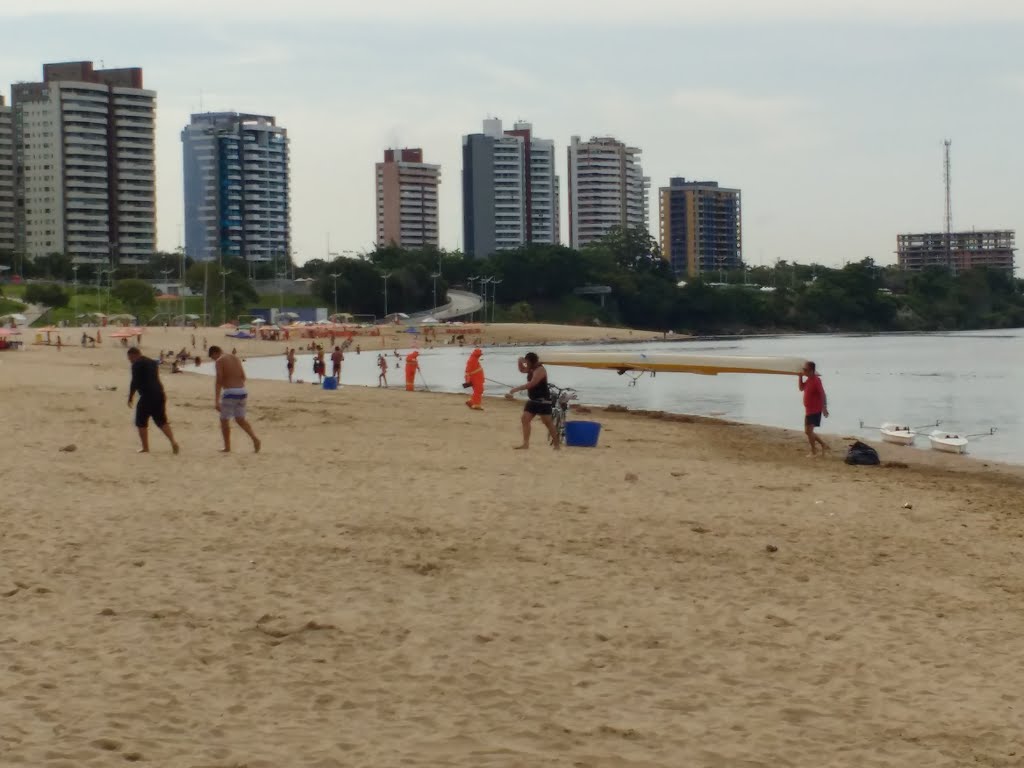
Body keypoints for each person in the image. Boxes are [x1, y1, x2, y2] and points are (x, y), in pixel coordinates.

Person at [126, 347, 179, 454]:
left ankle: (145, 448)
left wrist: (130, 396)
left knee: (141, 422)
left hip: (147, 396)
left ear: (134, 355)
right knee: (161, 421)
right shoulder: (152, 362)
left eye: (130, 358)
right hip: (159, 394)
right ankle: (173, 442)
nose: (130, 361)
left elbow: (134, 381)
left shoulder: (136, 364)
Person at [209, 346, 261, 453]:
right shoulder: (235, 358)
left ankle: (227, 447)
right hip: (242, 391)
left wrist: (216, 400)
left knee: (224, 420)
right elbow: (243, 376)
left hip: (230, 393)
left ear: (215, 353)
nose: (213, 360)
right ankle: (255, 438)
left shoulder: (219, 361)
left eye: (212, 358)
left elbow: (219, 380)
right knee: (240, 419)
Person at [504, 352, 559, 450]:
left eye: (527, 362)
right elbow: (521, 370)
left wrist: (517, 389)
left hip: (543, 400)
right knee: (525, 419)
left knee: (548, 423)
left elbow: (532, 383)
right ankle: (526, 444)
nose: (526, 364)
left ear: (531, 361)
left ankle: (556, 445)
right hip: (533, 400)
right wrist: (519, 361)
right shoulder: (531, 368)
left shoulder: (540, 370)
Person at [798, 361, 829, 457]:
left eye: (805, 370)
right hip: (809, 410)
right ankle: (823, 445)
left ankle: (814, 451)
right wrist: (800, 377)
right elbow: (801, 388)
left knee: (808, 431)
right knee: (808, 431)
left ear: (812, 371)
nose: (804, 371)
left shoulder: (816, 380)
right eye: (803, 369)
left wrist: (824, 408)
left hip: (815, 410)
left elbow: (822, 394)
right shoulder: (808, 380)